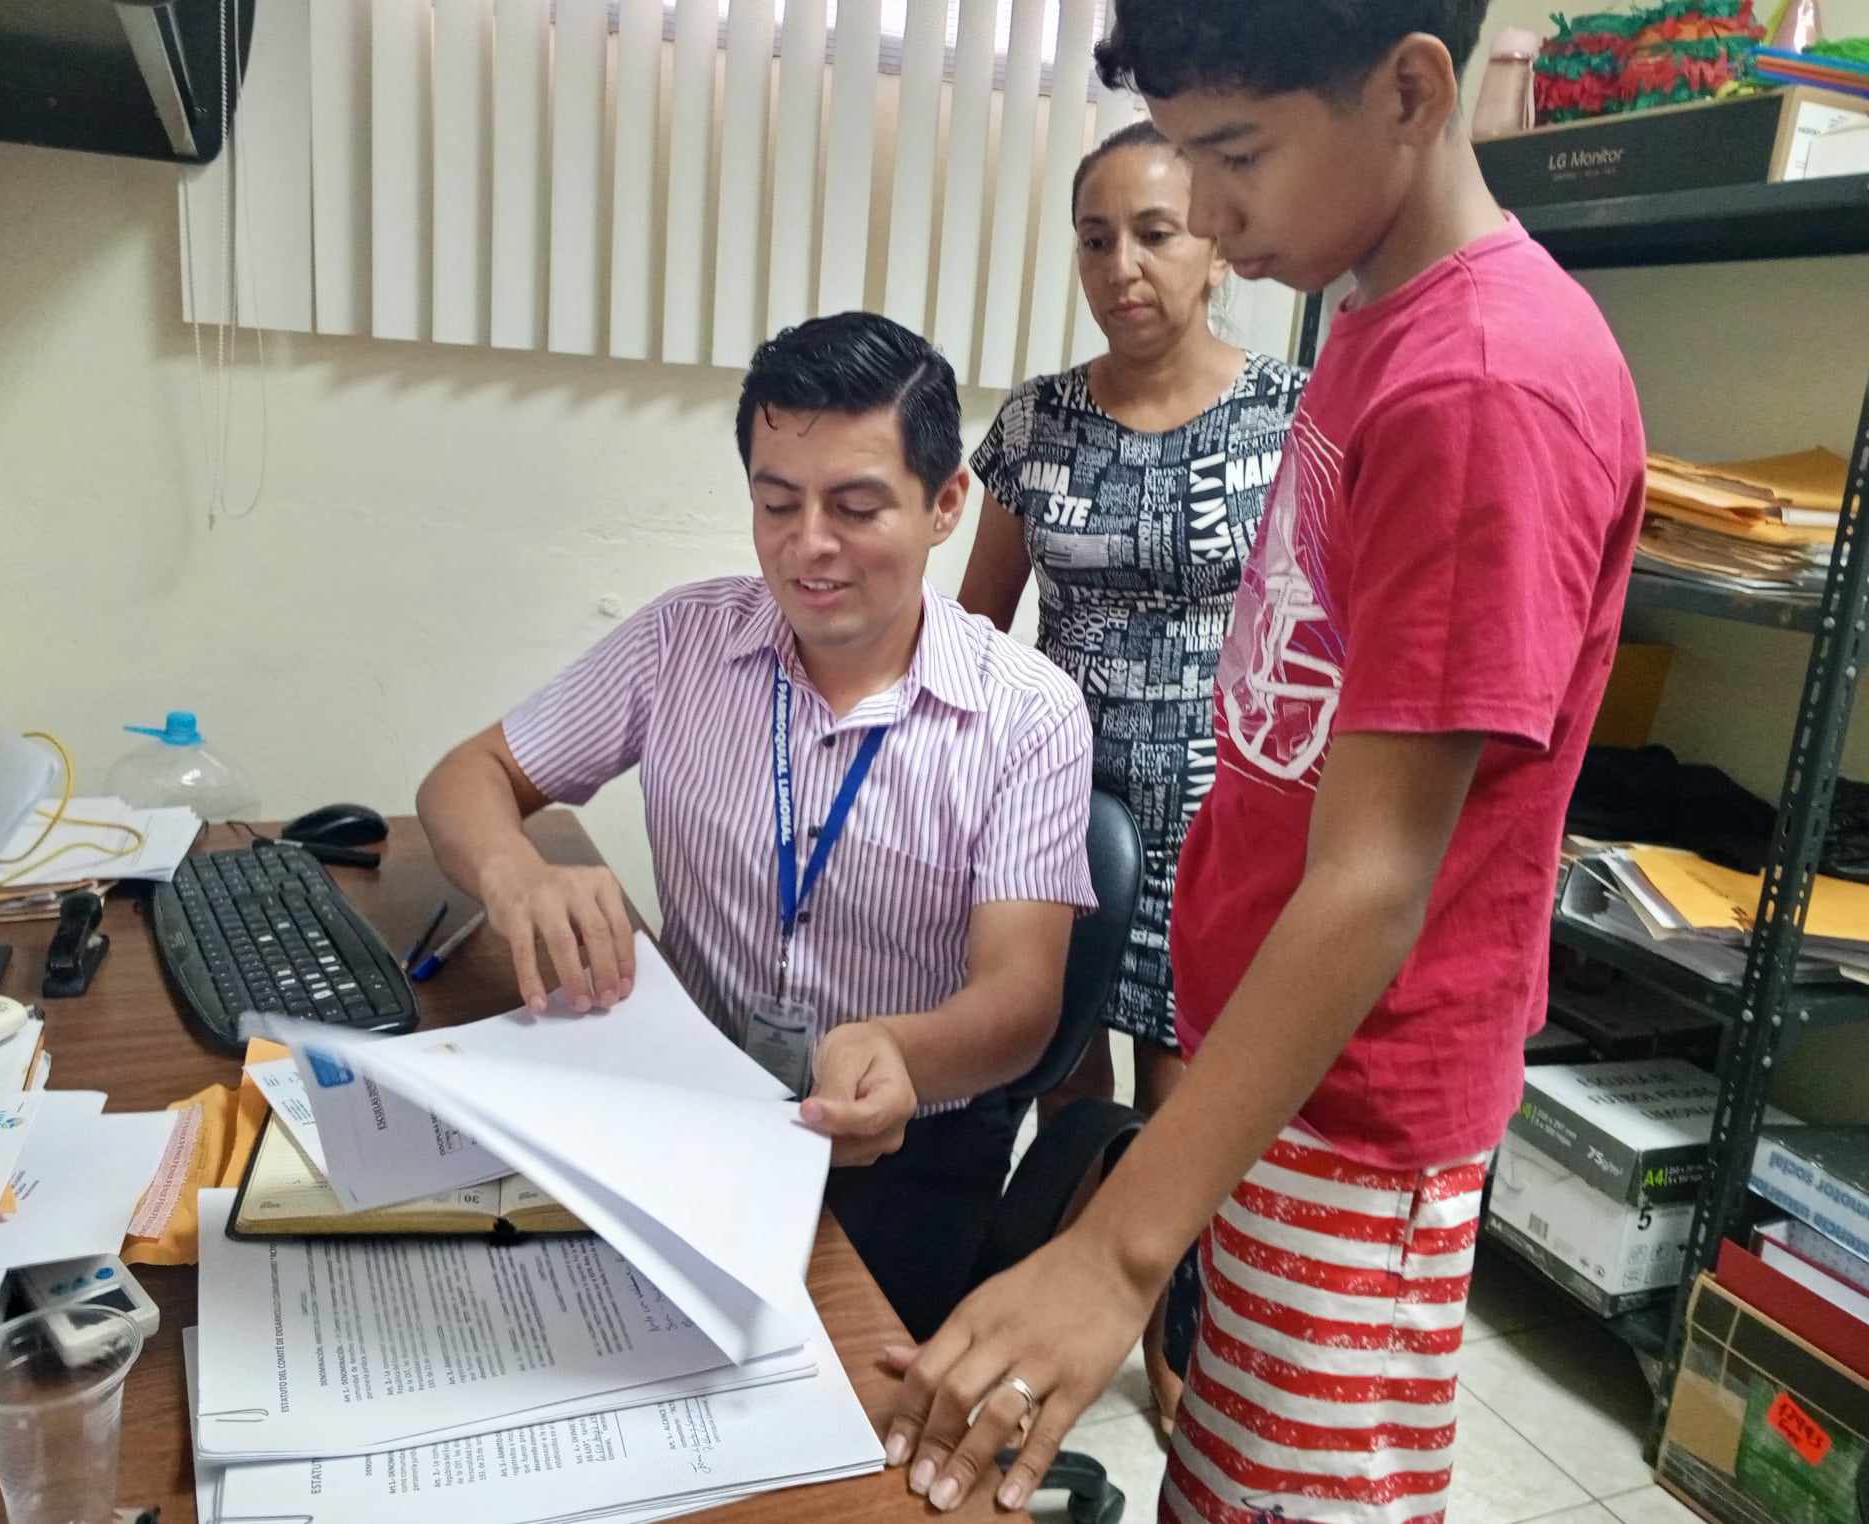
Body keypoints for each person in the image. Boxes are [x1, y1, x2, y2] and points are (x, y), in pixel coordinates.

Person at [883, 4, 1647, 1521]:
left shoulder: (1480, 385)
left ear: (1411, 91)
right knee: (1221, 1480)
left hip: (1357, 1101)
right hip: (1275, 1070)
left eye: (1235, 157)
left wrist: (1117, 1247)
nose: (1212, 214)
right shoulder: (1376, 314)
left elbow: (1375, 882)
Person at [416, 310, 1098, 1342]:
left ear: (945, 503)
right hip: (690, 1110)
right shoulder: (682, 643)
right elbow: (467, 776)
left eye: (856, 507)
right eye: (777, 503)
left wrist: (900, 1050)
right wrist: (513, 871)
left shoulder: (1028, 714)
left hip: (897, 1154)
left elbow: (1020, 1001)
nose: (807, 545)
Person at [958, 120, 1306, 1421]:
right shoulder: (1036, 423)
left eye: (1155, 233)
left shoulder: (1291, 417)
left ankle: (1175, 1346)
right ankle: (1063, 1306)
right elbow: (978, 624)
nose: (1123, 266)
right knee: (1065, 1071)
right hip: (1065, 801)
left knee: (1186, 1091)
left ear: (1214, 247)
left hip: (1226, 808)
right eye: (1096, 239)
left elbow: (1331, 629)